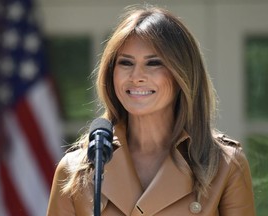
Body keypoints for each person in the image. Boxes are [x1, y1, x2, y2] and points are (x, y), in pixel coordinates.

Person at [46, 5, 255, 216]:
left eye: (154, 63)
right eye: (126, 63)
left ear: (183, 74)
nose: (136, 76)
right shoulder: (77, 169)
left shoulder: (225, 165)